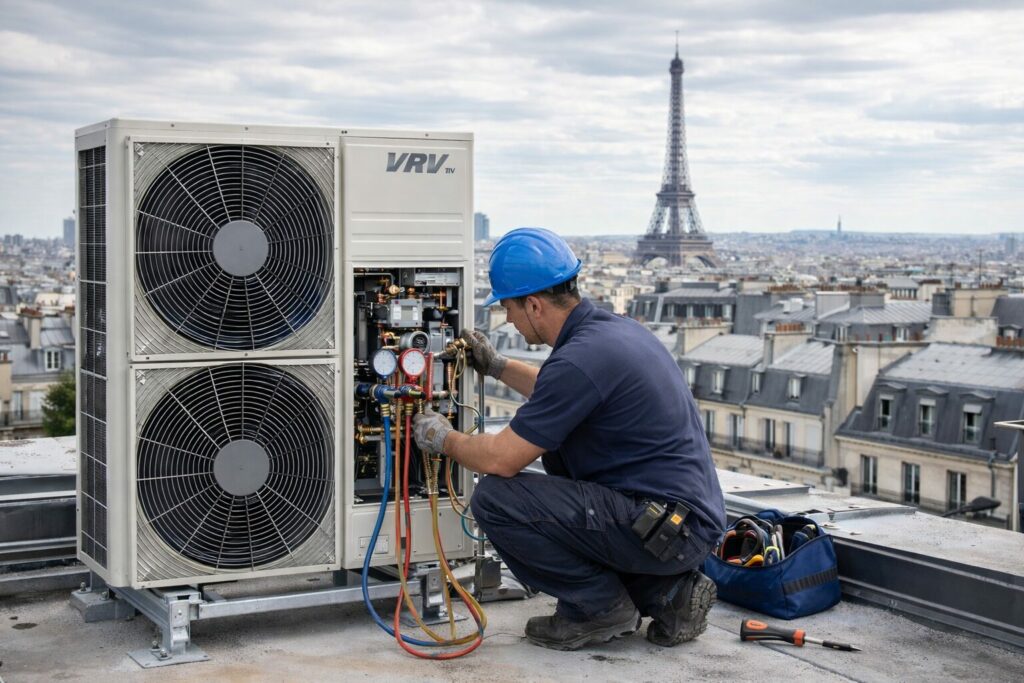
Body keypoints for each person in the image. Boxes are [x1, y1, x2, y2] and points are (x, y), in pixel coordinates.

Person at [412, 227, 725, 651]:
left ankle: (597, 608)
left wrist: (442, 437)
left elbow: (502, 459)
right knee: (573, 497)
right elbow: (561, 390)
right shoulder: (611, 334)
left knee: (496, 500)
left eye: (509, 308)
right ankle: (669, 596)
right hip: (679, 526)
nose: (509, 319)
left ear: (535, 305)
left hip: (661, 527)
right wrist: (499, 365)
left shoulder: (581, 358)